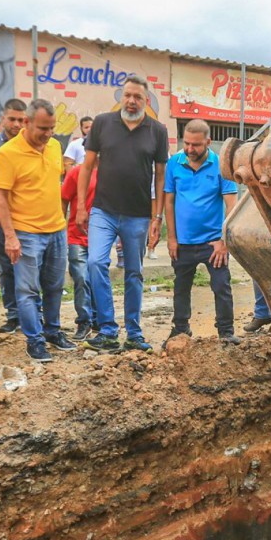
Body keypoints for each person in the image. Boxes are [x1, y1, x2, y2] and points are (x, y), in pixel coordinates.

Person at [77, 75, 168, 353]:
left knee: (134, 273)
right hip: (103, 210)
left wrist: (157, 217)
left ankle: (134, 333)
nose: (131, 101)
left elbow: (161, 177)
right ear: (121, 97)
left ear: (146, 100)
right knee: (95, 263)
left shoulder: (158, 130)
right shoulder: (103, 123)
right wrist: (81, 205)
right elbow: (87, 166)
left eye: (137, 97)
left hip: (138, 215)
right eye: (127, 95)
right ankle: (107, 330)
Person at [0, 99, 74, 362]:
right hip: (26, 233)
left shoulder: (54, 146)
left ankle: (52, 331)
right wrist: (9, 236)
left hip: (57, 230)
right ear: (26, 123)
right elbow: (1, 197)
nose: (48, 134)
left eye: (52, 128)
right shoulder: (7, 153)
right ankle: (35, 340)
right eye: (43, 128)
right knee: (27, 290)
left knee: (54, 286)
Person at [163, 120, 239, 344]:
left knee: (221, 285)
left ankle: (226, 333)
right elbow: (169, 201)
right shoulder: (174, 163)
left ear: (207, 141)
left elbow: (231, 205)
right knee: (181, 287)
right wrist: (172, 238)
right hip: (183, 242)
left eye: (195, 145)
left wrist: (224, 241)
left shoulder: (220, 165)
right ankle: (180, 329)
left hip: (213, 242)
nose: (189, 149)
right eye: (186, 143)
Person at [0, 98, 28, 324]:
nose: (17, 124)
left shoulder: (30, 144)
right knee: (5, 266)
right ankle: (13, 314)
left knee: (29, 267)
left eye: (21, 120)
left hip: (27, 217)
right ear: (3, 119)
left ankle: (31, 312)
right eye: (12, 119)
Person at [62, 160, 97, 341]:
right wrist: (60, 231)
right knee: (81, 277)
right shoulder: (77, 172)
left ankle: (98, 318)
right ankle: (84, 321)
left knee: (98, 278)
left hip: (100, 237)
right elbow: (64, 199)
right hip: (76, 235)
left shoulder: (112, 172)